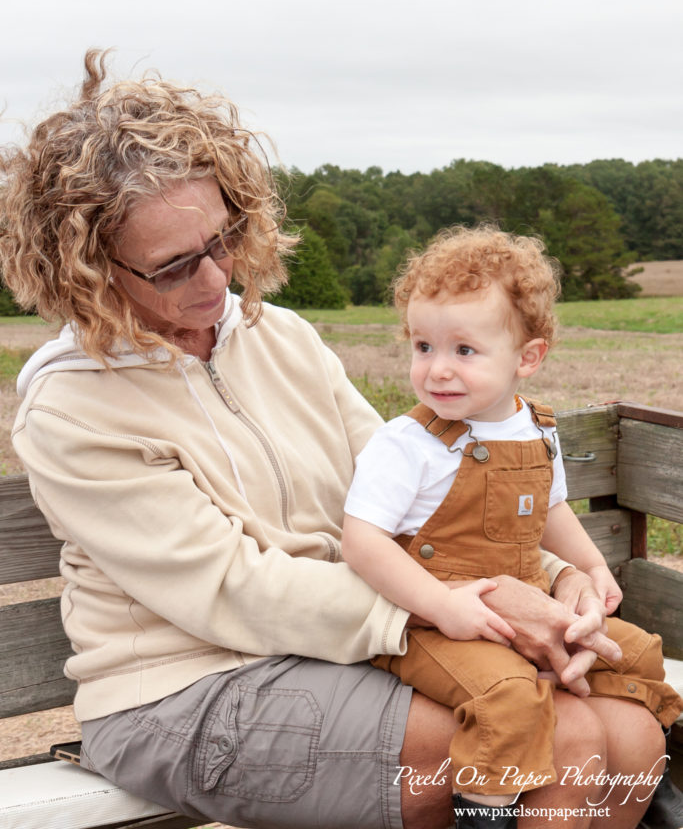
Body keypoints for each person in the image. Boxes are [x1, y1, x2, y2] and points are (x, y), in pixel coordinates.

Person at [0, 49, 667, 829]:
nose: (217, 281)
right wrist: (470, 606)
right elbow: (232, 589)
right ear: (84, 271)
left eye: (223, 239)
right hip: (189, 688)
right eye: (174, 265)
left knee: (629, 730)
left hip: (356, 639)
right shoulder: (72, 408)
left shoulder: (277, 337)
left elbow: (419, 491)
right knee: (566, 737)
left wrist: (556, 579)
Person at [342, 226, 682, 826]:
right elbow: (362, 541)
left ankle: (652, 789)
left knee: (639, 651)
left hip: (526, 601)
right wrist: (441, 606)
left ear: (528, 357)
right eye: (423, 347)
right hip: (436, 621)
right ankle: (485, 812)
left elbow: (550, 514)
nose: (437, 370)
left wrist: (591, 569)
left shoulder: (536, 429)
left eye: (463, 351)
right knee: (509, 699)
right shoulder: (408, 445)